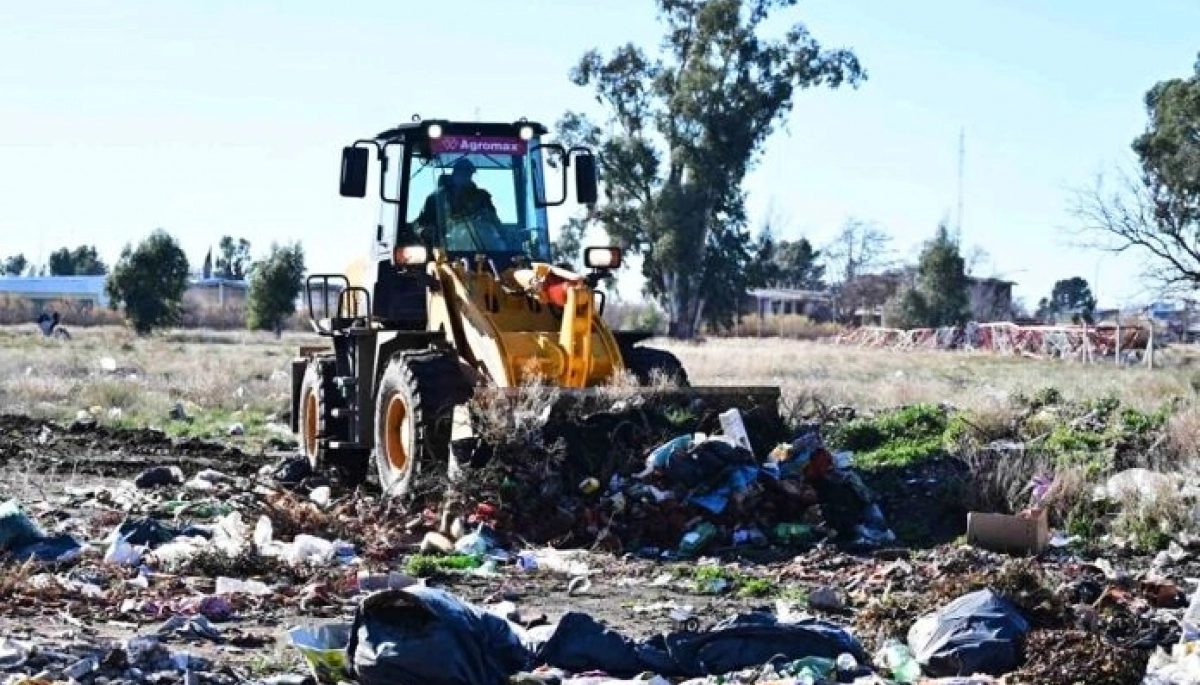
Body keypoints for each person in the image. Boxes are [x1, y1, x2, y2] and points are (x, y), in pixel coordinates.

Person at [414, 157, 511, 252]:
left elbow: (495, 222)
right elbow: (419, 224)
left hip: (481, 250)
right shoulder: (436, 199)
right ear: (454, 174)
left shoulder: (482, 197)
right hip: (447, 253)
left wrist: (508, 239)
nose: (465, 177)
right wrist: (424, 231)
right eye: (462, 173)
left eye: (468, 174)